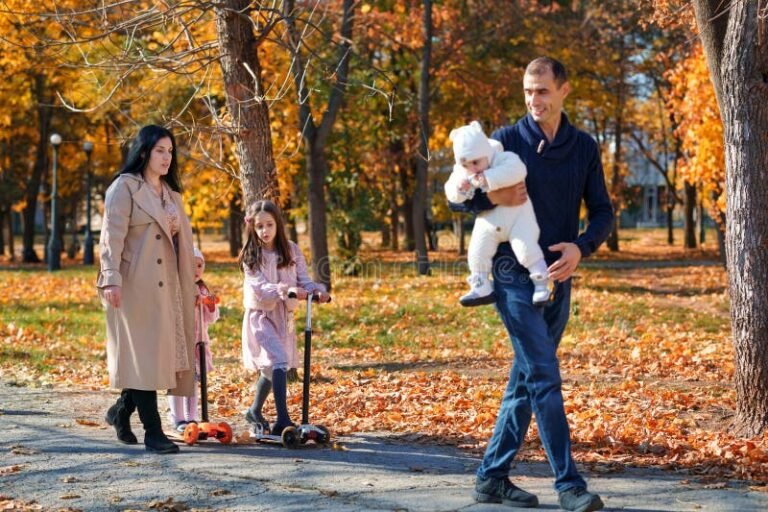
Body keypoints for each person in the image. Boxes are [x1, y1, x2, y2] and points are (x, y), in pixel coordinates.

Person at [454, 57, 613, 511]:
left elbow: (602, 211)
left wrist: (582, 247)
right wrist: (491, 196)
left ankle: (491, 477)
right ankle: (569, 486)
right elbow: (459, 195)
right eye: (527, 91)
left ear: (564, 90)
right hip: (510, 274)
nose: (533, 99)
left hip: (557, 278)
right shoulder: (503, 140)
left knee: (525, 380)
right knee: (543, 376)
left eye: (542, 90)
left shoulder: (584, 147)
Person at [98, 125, 198, 454]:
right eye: (160, 150)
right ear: (144, 152)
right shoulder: (124, 188)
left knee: (154, 359)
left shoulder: (172, 195)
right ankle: (154, 433)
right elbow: (110, 237)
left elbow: (183, 241)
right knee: (143, 358)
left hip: (169, 287)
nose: (167, 157)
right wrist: (110, 277)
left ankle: (121, 411)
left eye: (170, 151)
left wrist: (196, 267)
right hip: (133, 287)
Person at [239, 200, 330, 436]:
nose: (265, 231)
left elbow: (304, 281)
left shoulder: (291, 250)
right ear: (252, 228)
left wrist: (318, 291)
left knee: (272, 368)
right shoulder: (251, 256)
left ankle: (254, 411)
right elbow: (260, 288)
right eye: (259, 226)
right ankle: (283, 420)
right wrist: (286, 290)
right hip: (260, 316)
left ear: (278, 224)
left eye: (269, 224)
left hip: (283, 315)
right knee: (278, 360)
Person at [445, 120, 550, 307]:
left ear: (486, 153)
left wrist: (488, 179)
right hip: (488, 221)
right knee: (477, 250)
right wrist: (460, 190)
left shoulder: (503, 157)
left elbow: (517, 170)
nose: (473, 169)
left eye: (476, 162)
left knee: (525, 249)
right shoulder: (464, 171)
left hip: (518, 217)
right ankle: (481, 285)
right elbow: (451, 194)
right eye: (466, 165)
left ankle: (541, 284)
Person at [167, 248, 220, 431]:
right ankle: (178, 417)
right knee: (179, 381)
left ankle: (192, 417)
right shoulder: (178, 286)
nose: (196, 270)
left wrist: (210, 306)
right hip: (180, 343)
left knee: (194, 382)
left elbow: (210, 319)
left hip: (198, 343)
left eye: (199, 265)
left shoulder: (203, 288)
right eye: (191, 266)